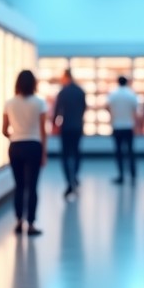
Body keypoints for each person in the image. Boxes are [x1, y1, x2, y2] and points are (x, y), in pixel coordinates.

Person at [4, 70, 48, 235]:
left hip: (15, 146)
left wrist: (14, 136)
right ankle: (30, 224)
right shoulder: (39, 103)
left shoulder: (9, 103)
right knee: (32, 186)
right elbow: (43, 131)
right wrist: (44, 152)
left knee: (19, 185)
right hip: (34, 146)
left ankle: (18, 220)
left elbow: (4, 129)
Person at [53, 68, 86, 200]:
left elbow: (57, 111)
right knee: (77, 151)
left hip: (66, 127)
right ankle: (75, 176)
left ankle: (68, 180)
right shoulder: (80, 91)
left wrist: (55, 125)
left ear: (66, 77)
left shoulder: (62, 92)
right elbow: (84, 108)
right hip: (77, 126)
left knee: (65, 154)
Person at [107, 75, 139, 184]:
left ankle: (121, 175)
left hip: (117, 126)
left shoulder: (113, 94)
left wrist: (112, 119)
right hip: (129, 126)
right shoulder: (131, 94)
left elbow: (108, 107)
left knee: (119, 152)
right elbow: (135, 110)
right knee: (130, 151)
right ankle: (133, 174)